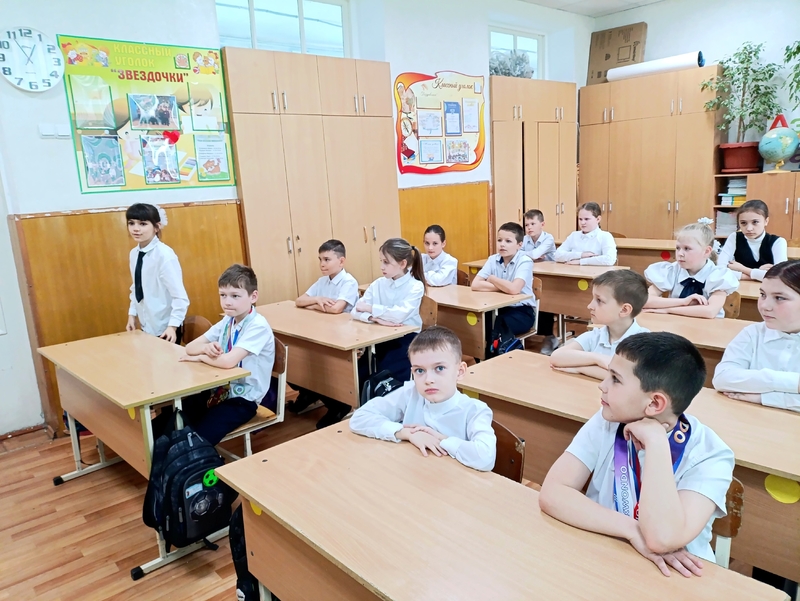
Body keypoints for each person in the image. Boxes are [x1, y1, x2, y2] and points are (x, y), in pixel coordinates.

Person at [539, 332, 734, 577]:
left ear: (654, 404)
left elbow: (663, 539)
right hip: (604, 552)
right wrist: (631, 530)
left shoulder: (711, 454)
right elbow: (552, 493)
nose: (602, 385)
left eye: (615, 379)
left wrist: (656, 442)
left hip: (674, 576)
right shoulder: (607, 419)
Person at [350, 326, 496, 471]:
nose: (428, 380)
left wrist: (442, 440)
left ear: (460, 371)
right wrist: (407, 433)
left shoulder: (475, 410)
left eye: (439, 368)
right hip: (413, 473)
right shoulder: (411, 393)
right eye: (419, 370)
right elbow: (359, 418)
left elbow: (485, 458)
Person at [178, 264, 275, 445]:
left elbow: (228, 362)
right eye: (223, 295)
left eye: (235, 296)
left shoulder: (258, 326)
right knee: (176, 417)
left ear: (253, 296)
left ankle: (200, 458)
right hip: (220, 390)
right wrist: (205, 348)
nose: (227, 302)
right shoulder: (228, 321)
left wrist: (201, 356)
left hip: (243, 400)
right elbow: (190, 347)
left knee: (196, 438)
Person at [351, 238, 425, 422]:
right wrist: (375, 318)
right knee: (359, 370)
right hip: (378, 337)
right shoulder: (378, 284)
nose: (381, 267)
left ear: (402, 264)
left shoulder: (415, 286)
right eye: (381, 261)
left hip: (406, 339)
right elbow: (355, 310)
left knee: (387, 371)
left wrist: (371, 309)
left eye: (386, 262)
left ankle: (392, 414)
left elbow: (399, 316)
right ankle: (367, 411)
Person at [713, 260, 800, 413]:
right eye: (763, 295)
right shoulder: (753, 333)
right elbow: (723, 378)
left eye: (779, 298)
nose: (764, 306)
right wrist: (795, 383)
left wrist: (765, 398)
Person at [289, 240, 360, 425]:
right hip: (323, 331)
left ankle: (338, 405)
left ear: (341, 261)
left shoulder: (348, 282)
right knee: (297, 358)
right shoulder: (322, 281)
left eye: (327, 259)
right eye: (320, 259)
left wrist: (312, 304)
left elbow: (336, 309)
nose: (322, 264)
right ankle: (309, 392)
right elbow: (299, 301)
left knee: (320, 366)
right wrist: (318, 299)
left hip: (343, 336)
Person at [550, 270, 649, 380]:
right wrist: (597, 358)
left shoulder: (645, 343)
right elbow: (556, 357)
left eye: (599, 300)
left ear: (624, 310)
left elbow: (629, 379)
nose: (589, 306)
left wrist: (580, 369)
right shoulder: (595, 335)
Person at [643, 222, 739, 319]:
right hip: (674, 323)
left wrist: (668, 310)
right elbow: (645, 300)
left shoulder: (718, 276)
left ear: (706, 251)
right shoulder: (672, 270)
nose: (680, 253)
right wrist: (683, 302)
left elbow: (710, 312)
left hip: (708, 326)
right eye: (678, 248)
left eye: (687, 248)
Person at [125, 203, 189, 343]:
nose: (136, 229)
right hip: (146, 325)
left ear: (156, 227)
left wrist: (172, 327)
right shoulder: (134, 254)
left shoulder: (164, 255)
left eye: (143, 224)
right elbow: (136, 287)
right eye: (131, 223)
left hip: (165, 328)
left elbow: (180, 297)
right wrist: (132, 314)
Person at [471, 222, 536, 335]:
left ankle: (497, 346)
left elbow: (514, 289)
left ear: (519, 245)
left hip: (521, 311)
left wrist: (492, 279)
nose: (502, 245)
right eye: (499, 240)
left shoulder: (525, 261)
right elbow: (475, 284)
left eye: (508, 241)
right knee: (480, 322)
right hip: (496, 308)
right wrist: (504, 287)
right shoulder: (492, 259)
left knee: (500, 324)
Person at [717, 199, 788, 281]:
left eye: (755, 222)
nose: (749, 228)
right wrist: (759, 274)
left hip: (768, 288)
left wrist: (742, 269)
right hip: (741, 286)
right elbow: (720, 270)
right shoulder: (734, 237)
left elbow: (780, 276)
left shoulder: (778, 242)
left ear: (766, 221)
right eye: (743, 223)